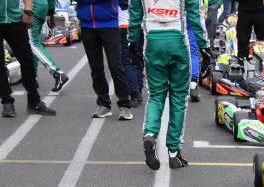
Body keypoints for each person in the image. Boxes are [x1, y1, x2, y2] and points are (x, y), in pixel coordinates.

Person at [128, 0, 211, 169]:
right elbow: (195, 16)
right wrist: (204, 46)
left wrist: (132, 42)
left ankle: (150, 134)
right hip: (178, 41)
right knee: (179, 99)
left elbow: (134, 16)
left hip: (153, 41)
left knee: (156, 95)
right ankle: (174, 153)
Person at [0, 0, 55, 116]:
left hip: (15, 19)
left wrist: (28, 11)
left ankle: (34, 101)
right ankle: (6, 101)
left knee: (27, 59)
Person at [75, 0, 133, 119]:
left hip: (109, 25)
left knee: (115, 66)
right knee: (96, 68)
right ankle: (103, 104)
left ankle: (125, 105)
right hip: (87, 25)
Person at [28, 0, 69, 92]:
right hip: (43, 7)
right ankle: (32, 78)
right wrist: (51, 12)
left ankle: (57, 73)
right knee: (34, 43)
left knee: (32, 43)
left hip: (31, 7)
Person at [119, 7, 143, 106]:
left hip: (125, 25)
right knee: (138, 58)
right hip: (141, 24)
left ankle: (134, 93)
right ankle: (139, 90)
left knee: (127, 61)